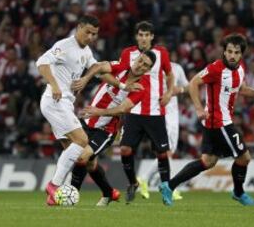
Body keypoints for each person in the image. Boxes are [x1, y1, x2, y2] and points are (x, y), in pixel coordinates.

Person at [36, 15, 139, 206]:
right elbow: (41, 63)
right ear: (79, 27)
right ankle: (53, 186)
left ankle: (57, 197)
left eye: (94, 34)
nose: (91, 37)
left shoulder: (86, 51)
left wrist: (122, 86)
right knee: (82, 141)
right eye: (88, 32)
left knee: (73, 150)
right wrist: (54, 85)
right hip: (55, 99)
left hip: (64, 103)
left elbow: (98, 70)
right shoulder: (65, 45)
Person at [160, 33, 254, 206]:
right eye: (229, 51)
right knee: (244, 158)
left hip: (217, 122)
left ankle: (169, 186)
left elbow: (240, 88)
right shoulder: (216, 68)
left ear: (241, 54)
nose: (232, 55)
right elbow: (193, 83)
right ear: (224, 51)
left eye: (236, 52)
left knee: (208, 161)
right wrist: (198, 108)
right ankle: (238, 192)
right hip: (219, 122)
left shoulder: (240, 68)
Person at [71, 51, 157, 206]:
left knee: (82, 157)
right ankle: (109, 193)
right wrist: (85, 78)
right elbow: (98, 67)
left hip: (106, 130)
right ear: (136, 59)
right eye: (140, 61)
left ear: (148, 70)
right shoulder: (121, 66)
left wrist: (100, 111)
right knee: (90, 164)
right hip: (87, 121)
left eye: (146, 65)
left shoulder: (141, 88)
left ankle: (71, 195)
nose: (141, 65)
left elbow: (122, 109)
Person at [116, 21, 175, 203]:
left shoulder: (161, 53)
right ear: (136, 37)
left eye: (146, 35)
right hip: (134, 110)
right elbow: (121, 75)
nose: (143, 38)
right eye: (140, 35)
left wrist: (169, 92)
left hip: (156, 111)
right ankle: (133, 183)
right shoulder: (127, 54)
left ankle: (166, 189)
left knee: (162, 153)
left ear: (152, 37)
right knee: (125, 149)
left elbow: (170, 74)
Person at [137, 61, 189, 200]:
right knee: (166, 152)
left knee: (168, 152)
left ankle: (162, 184)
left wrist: (180, 90)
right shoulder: (150, 68)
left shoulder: (177, 67)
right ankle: (163, 184)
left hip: (172, 114)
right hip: (160, 113)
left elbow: (186, 86)